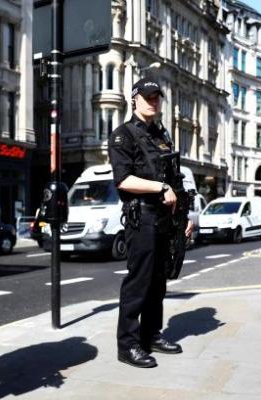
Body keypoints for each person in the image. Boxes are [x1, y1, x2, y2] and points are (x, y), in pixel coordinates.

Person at [107, 77, 193, 368]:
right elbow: (123, 180)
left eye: (156, 97)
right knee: (139, 283)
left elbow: (174, 178)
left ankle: (151, 334)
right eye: (147, 96)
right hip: (141, 216)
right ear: (134, 99)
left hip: (164, 217)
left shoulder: (162, 136)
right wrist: (160, 189)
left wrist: (185, 215)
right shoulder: (123, 135)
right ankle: (128, 345)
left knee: (158, 282)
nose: (152, 101)